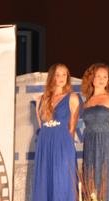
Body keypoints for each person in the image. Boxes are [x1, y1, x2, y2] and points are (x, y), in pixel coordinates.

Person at [32, 63, 80, 201]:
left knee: (62, 181)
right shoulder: (41, 99)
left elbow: (72, 128)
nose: (61, 78)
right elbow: (41, 126)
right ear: (52, 77)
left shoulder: (72, 98)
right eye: (58, 74)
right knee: (44, 181)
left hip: (63, 145)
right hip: (45, 145)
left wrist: (67, 151)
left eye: (64, 74)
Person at [81, 63, 109, 201]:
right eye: (98, 76)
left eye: (105, 77)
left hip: (105, 145)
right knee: (90, 182)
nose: (102, 79)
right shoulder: (87, 102)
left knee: (105, 182)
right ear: (92, 78)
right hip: (89, 145)